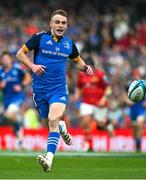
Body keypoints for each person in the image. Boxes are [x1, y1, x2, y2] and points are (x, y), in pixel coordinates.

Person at [16, 9, 93, 172]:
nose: (60, 25)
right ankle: (62, 127)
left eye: (63, 23)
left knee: (53, 118)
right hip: (40, 89)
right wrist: (33, 66)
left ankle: (49, 158)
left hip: (58, 89)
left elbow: (77, 61)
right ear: (51, 24)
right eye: (57, 22)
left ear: (66, 26)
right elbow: (20, 54)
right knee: (49, 119)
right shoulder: (40, 38)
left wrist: (85, 68)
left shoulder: (69, 43)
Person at [72, 55, 112, 150]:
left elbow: (108, 88)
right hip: (86, 102)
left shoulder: (100, 74)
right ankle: (89, 145)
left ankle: (107, 124)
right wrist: (76, 95)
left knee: (100, 125)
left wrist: (104, 99)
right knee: (85, 122)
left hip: (99, 104)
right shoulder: (81, 75)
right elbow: (78, 86)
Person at [0, 51, 31, 147]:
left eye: (6, 59)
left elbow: (28, 78)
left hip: (17, 97)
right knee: (9, 117)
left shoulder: (17, 68)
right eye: (3, 59)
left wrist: (21, 85)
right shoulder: (1, 71)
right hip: (6, 99)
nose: (5, 61)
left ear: (10, 59)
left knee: (9, 114)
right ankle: (18, 126)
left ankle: (17, 123)